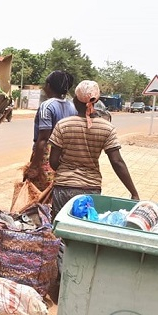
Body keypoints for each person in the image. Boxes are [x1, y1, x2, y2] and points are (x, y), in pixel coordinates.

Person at [48, 80, 139, 221]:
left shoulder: (63, 125)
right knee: (85, 228)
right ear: (96, 102)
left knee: (60, 228)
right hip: (91, 189)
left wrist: (67, 172)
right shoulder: (107, 128)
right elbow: (117, 162)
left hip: (64, 187)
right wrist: (133, 192)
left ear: (75, 102)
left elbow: (53, 162)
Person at [24, 70, 77, 191]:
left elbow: (43, 140)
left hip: (46, 157)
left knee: (39, 195)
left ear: (48, 86)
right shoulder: (72, 106)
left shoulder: (47, 106)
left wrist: (33, 167)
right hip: (64, 158)